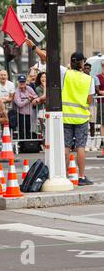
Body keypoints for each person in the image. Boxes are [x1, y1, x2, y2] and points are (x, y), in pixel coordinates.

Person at [28, 39, 95, 186]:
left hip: (66, 116)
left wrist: (33, 46)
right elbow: (90, 100)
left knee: (66, 147)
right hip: (82, 118)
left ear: (71, 63)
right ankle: (81, 177)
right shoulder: (89, 79)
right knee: (81, 147)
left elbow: (47, 58)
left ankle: (64, 176)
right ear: (82, 63)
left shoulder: (65, 73)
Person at [14, 75, 38, 140]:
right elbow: (19, 104)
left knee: (28, 130)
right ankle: (22, 145)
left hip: (29, 114)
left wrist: (32, 99)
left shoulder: (29, 88)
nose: (22, 83)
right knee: (22, 131)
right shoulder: (16, 91)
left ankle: (28, 146)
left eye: (23, 82)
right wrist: (28, 100)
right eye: (20, 82)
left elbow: (36, 96)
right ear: (18, 82)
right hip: (21, 114)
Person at [96, 60, 104, 148]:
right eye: (103, 66)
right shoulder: (98, 77)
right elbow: (97, 91)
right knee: (102, 122)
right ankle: (102, 140)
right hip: (101, 102)